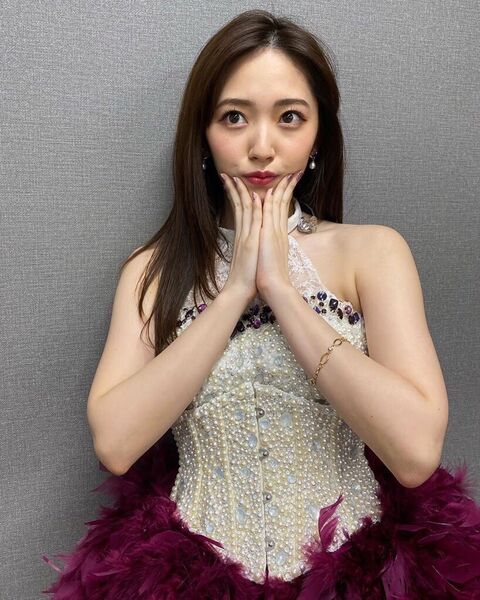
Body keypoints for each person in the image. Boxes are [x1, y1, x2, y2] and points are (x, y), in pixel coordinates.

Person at [42, 9, 480, 599]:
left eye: (290, 117)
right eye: (234, 117)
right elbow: (117, 445)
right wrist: (233, 294)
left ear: (318, 135)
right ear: (203, 135)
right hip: (191, 581)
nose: (261, 147)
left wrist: (281, 292)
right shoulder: (150, 273)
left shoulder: (373, 253)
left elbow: (416, 454)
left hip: (361, 576)